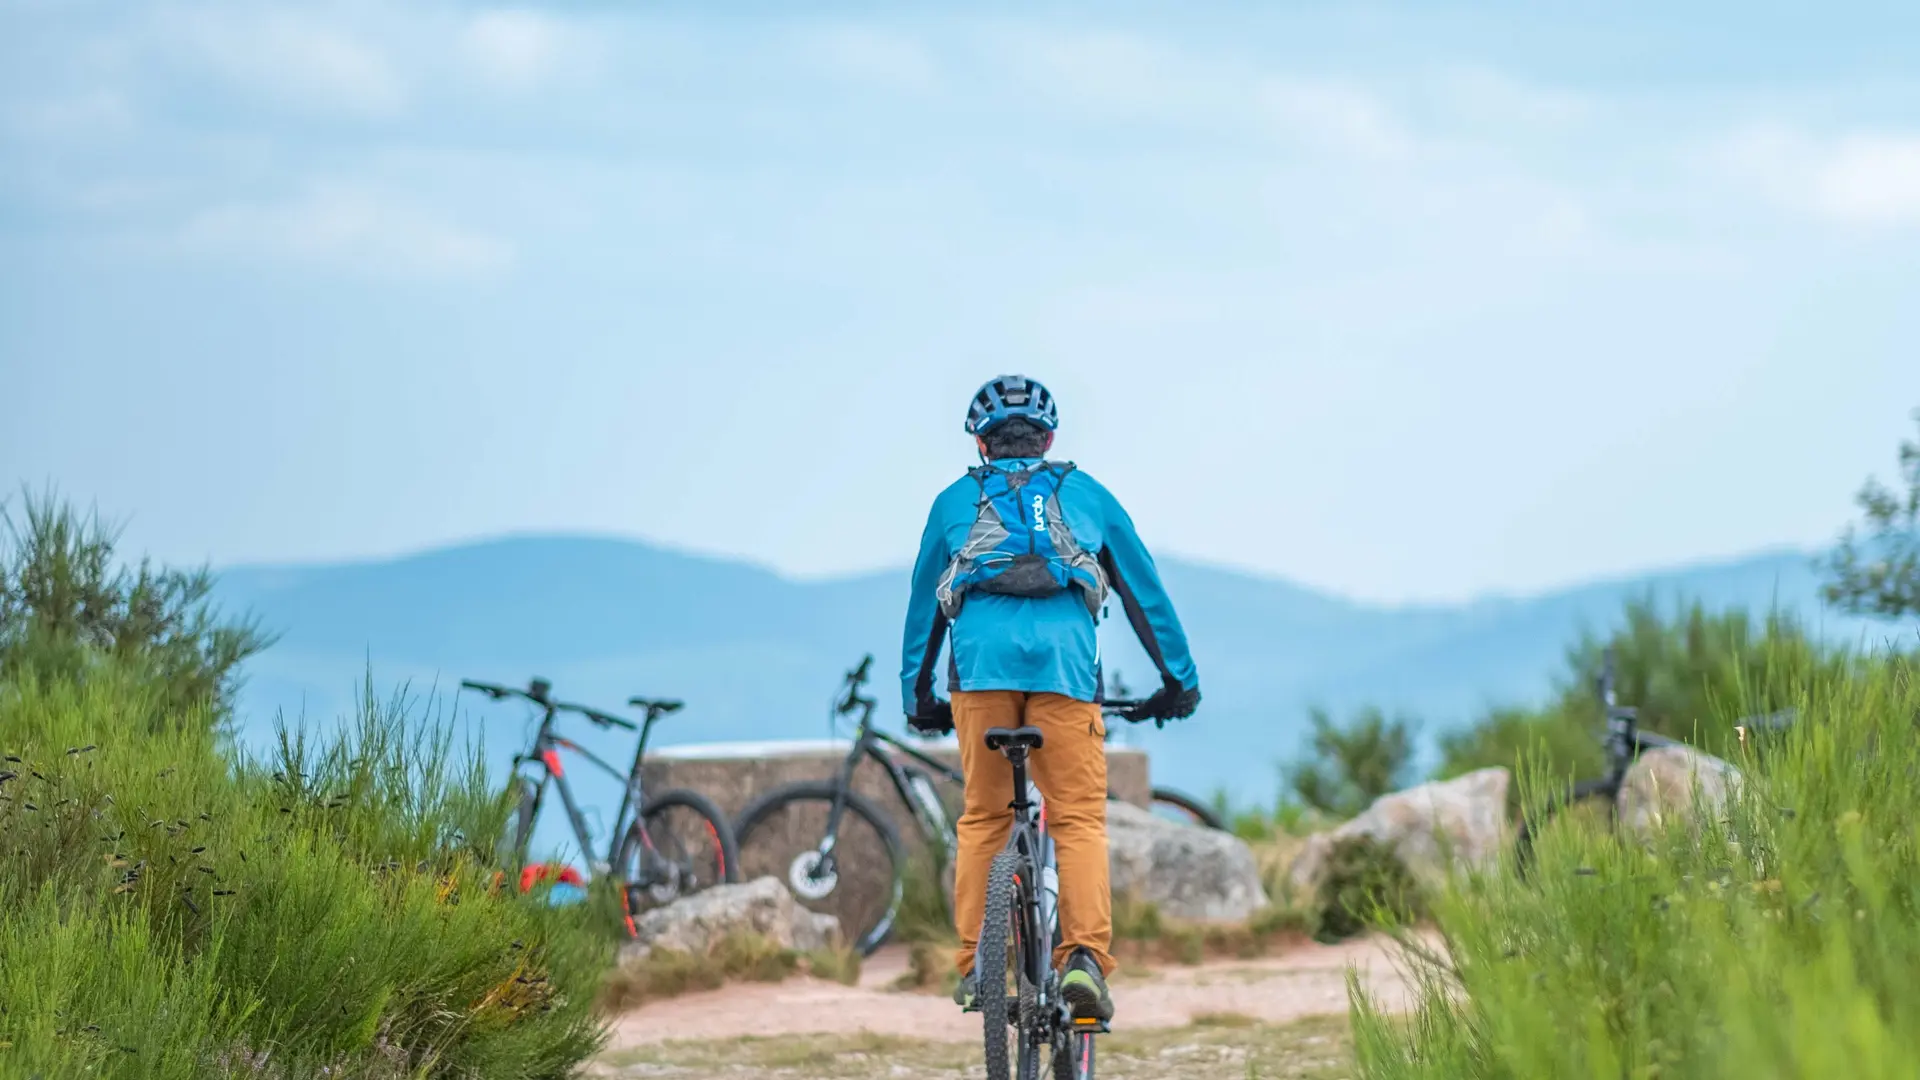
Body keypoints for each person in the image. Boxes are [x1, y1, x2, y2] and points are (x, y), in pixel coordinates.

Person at [899, 373, 1200, 1023]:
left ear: (981, 444)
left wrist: (917, 696)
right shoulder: (1087, 494)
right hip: (1065, 673)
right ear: (1049, 439)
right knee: (1077, 819)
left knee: (984, 817)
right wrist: (1178, 680)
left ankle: (979, 965)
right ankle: (1084, 960)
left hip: (980, 674)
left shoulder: (953, 502)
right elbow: (1144, 595)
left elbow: (925, 607)